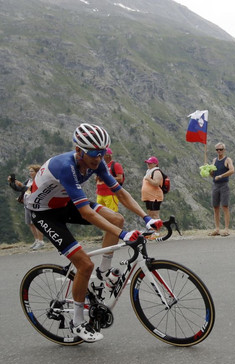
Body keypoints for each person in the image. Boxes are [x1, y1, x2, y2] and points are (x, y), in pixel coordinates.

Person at [25, 123, 162, 342]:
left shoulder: (96, 163)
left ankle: (102, 274)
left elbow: (120, 193)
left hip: (63, 203)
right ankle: (78, 322)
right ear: (78, 150)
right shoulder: (65, 166)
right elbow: (87, 214)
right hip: (44, 213)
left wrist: (147, 218)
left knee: (116, 217)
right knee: (84, 264)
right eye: (93, 153)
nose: (98, 158)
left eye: (102, 153)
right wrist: (123, 234)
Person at [7, 164, 45, 250]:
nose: (30, 173)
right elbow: (19, 189)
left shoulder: (39, 180)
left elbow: (33, 189)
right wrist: (12, 183)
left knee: (36, 223)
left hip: (36, 205)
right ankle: (36, 240)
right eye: (30, 171)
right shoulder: (29, 180)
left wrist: (22, 185)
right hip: (27, 204)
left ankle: (41, 241)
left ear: (37, 172)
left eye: (32, 171)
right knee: (30, 223)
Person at [210, 142, 235, 236]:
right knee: (215, 207)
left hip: (224, 184)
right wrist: (209, 171)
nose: (219, 151)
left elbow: (232, 170)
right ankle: (217, 229)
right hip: (215, 185)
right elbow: (213, 175)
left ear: (224, 150)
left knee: (225, 206)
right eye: (217, 149)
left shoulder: (227, 159)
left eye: (220, 149)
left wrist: (221, 176)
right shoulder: (214, 160)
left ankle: (226, 229)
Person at [96, 148, 124, 212]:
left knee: (112, 213)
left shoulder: (115, 165)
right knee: (100, 213)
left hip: (110, 194)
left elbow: (120, 179)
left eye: (102, 155)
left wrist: (106, 178)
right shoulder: (101, 165)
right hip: (100, 194)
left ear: (108, 156)